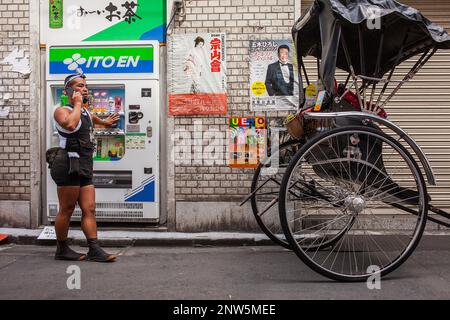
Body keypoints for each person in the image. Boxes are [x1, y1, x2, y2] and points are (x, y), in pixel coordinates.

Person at [50, 73, 119, 262]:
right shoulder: (61, 110)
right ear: (68, 91)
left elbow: (91, 118)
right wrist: (78, 103)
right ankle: (62, 249)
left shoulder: (86, 111)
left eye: (85, 86)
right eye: (79, 86)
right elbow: (71, 124)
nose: (84, 89)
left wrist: (105, 122)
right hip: (67, 164)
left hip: (84, 164)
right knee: (67, 208)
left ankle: (94, 249)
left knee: (90, 208)